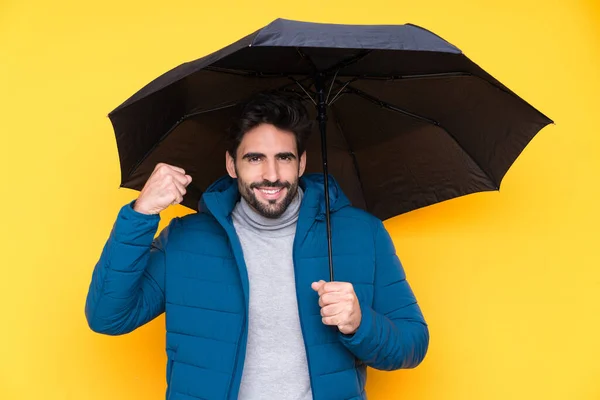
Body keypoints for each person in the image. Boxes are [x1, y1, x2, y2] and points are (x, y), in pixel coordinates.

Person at [85, 92, 429, 400]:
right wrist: (141, 214)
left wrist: (359, 322)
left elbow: (412, 343)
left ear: (302, 163)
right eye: (254, 158)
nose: (271, 174)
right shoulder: (186, 239)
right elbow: (108, 316)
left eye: (284, 157)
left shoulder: (362, 234)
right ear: (231, 164)